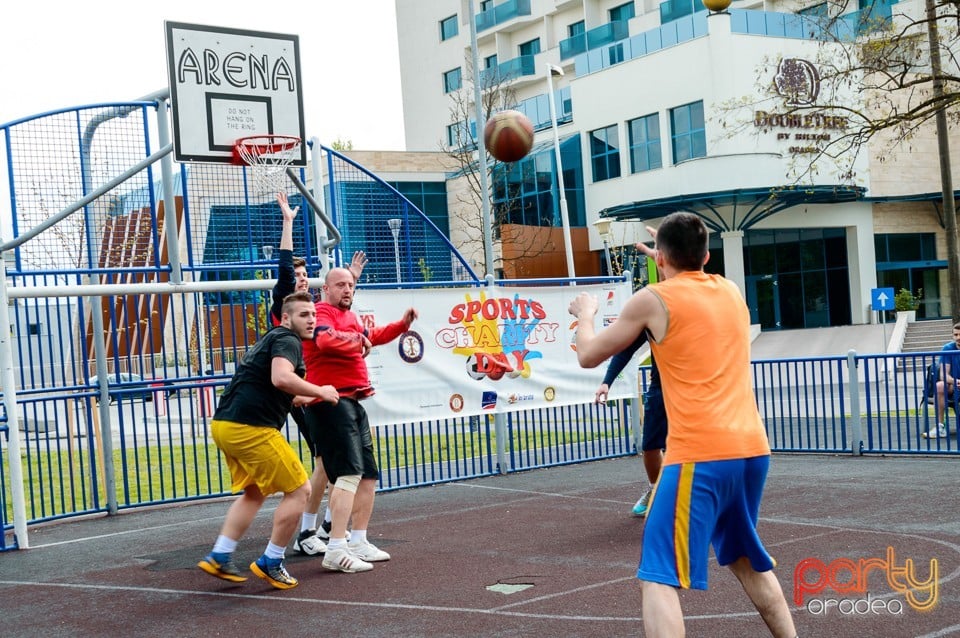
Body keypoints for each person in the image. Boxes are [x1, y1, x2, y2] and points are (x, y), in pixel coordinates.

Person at [568, 213, 796, 638]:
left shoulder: (653, 298)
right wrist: (672, 251)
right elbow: (690, 277)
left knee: (658, 573)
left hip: (701, 454)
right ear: (707, 255)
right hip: (751, 449)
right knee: (746, 560)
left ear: (660, 259)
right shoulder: (729, 290)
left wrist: (586, 313)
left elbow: (588, 354)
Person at [198, 292, 340, 590]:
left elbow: (283, 390)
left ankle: (220, 554)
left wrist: (306, 396)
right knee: (301, 490)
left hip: (225, 425)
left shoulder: (271, 339)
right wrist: (321, 391)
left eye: (313, 314)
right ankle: (271, 561)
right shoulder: (287, 340)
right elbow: (281, 378)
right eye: (303, 315)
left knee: (254, 491)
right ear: (286, 318)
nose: (311, 319)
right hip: (252, 427)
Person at [270, 192, 368, 556]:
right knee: (328, 462)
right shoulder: (286, 305)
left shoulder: (312, 309)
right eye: (296, 277)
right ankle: (316, 530)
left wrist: (351, 280)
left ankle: (317, 528)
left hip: (311, 388)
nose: (300, 280)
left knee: (326, 460)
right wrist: (288, 223)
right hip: (296, 391)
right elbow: (284, 269)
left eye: (304, 276)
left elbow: (341, 309)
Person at [303, 267, 417, 573]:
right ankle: (335, 548)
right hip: (330, 403)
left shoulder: (350, 319)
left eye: (351, 284)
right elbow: (326, 342)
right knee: (348, 476)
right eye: (340, 284)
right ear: (325, 289)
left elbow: (372, 336)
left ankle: (358, 540)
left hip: (352, 401)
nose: (347, 289)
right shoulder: (320, 312)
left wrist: (401, 326)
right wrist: (357, 339)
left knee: (368, 476)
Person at [596, 331, 665, 517]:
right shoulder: (654, 311)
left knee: (688, 449)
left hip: (694, 389)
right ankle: (655, 490)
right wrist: (607, 382)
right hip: (661, 390)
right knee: (650, 447)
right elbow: (626, 349)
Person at [924, 321, 960, 439]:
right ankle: (940, 427)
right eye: (955, 335)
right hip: (954, 385)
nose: (958, 338)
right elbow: (944, 375)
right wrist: (956, 381)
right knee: (940, 385)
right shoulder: (948, 348)